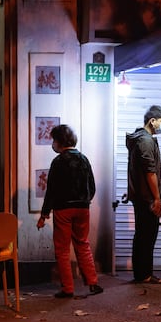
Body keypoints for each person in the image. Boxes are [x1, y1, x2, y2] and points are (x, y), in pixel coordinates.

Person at [36, 124, 103, 298]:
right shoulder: (84, 159)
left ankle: (67, 288)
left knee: (62, 249)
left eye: (54, 140)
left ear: (59, 141)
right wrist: (85, 200)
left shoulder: (58, 162)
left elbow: (51, 191)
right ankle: (93, 282)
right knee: (83, 243)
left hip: (63, 209)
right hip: (83, 208)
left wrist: (44, 214)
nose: (53, 144)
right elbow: (92, 186)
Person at [126, 105, 161, 284]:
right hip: (146, 197)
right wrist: (156, 198)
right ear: (153, 121)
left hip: (142, 196)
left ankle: (142, 273)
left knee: (143, 235)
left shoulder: (141, 140)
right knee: (147, 236)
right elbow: (150, 172)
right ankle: (144, 274)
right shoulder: (145, 141)